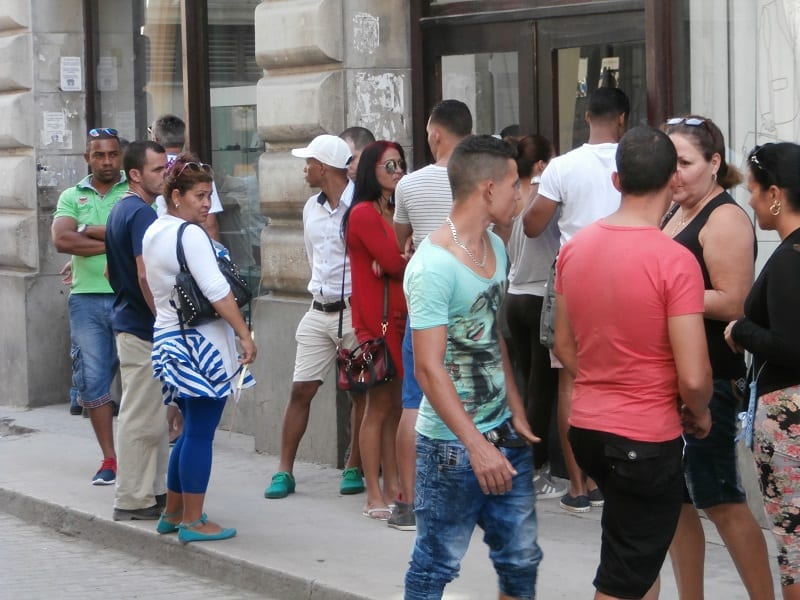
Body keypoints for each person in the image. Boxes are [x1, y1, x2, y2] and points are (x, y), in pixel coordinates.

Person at [554, 126, 712, 600]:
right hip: (644, 437)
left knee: (635, 558)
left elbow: (563, 347)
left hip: (587, 429)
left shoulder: (575, 248)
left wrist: (606, 383)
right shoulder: (675, 259)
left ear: (617, 181)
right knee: (624, 577)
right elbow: (694, 375)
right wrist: (699, 412)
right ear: (672, 181)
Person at [403, 135, 541, 600]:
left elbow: (493, 334)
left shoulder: (498, 249)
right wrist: (476, 447)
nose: (520, 197)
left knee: (521, 561)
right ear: (488, 189)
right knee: (435, 565)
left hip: (504, 433)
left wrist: (516, 407)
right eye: (514, 187)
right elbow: (427, 369)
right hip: (450, 450)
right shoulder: (432, 267)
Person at [661, 116, 774, 600]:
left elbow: (734, 301)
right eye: (670, 163)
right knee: (678, 502)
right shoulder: (674, 211)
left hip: (714, 379)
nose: (676, 174)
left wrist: (665, 291)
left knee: (720, 498)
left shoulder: (724, 216)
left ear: (713, 164)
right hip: (679, 377)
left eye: (685, 163)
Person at [523, 86, 630, 512]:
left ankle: (579, 485)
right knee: (624, 372)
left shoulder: (563, 167)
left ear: (587, 117)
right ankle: (617, 473)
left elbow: (532, 226)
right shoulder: (636, 161)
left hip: (574, 279)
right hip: (628, 276)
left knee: (570, 376)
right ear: (622, 118)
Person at [143, 153, 256, 543]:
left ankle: (173, 513)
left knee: (190, 430)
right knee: (200, 434)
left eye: (209, 196)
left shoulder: (156, 230)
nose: (207, 204)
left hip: (171, 338)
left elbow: (149, 281)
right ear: (176, 196)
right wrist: (244, 334)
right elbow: (217, 291)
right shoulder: (189, 234)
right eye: (199, 196)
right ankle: (193, 520)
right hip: (200, 343)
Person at [264, 134, 367, 499]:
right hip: (319, 308)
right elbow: (313, 257)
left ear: (324, 167)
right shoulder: (311, 207)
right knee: (301, 388)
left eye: (308, 162)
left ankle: (355, 466)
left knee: (361, 393)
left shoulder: (361, 205)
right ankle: (284, 470)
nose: (304, 168)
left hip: (355, 312)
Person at [390, 98, 472, 531]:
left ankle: (408, 499)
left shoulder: (410, 185)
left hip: (425, 301)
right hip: (471, 300)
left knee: (414, 401)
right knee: (471, 396)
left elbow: (402, 237)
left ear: (436, 134)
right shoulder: (481, 181)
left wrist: (416, 242)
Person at [725, 142, 800, 599]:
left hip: (788, 415)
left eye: (753, 191)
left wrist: (741, 328)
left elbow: (792, 345)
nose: (749, 201)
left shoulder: (791, 257)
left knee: (794, 545)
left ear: (775, 193)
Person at [51, 127, 129, 484]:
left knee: (139, 379)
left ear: (121, 156)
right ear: (88, 158)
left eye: (113, 154)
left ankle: (137, 452)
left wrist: (90, 232)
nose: (107, 161)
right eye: (99, 155)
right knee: (94, 382)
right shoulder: (72, 195)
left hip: (130, 297)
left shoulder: (135, 191)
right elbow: (62, 239)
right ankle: (109, 459)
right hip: (86, 300)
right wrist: (117, 243)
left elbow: (143, 237)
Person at [343, 140, 409, 520]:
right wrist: (398, 259)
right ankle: (373, 492)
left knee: (396, 407)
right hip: (377, 322)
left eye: (401, 164)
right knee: (379, 406)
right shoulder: (365, 213)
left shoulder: (398, 209)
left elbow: (401, 260)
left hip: (400, 319)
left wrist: (399, 259)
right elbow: (395, 262)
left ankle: (393, 485)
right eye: (390, 166)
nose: (398, 171)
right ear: (373, 171)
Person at [105, 140, 170, 521]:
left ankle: (153, 491)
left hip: (131, 322)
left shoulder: (121, 210)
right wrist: (162, 316)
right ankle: (132, 497)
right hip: (142, 327)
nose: (164, 175)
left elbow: (115, 272)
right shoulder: (141, 214)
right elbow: (146, 274)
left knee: (151, 414)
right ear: (135, 174)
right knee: (141, 416)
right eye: (157, 170)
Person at [500, 134, 564, 499]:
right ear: (541, 165)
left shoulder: (513, 194)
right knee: (542, 390)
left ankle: (520, 461)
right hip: (541, 296)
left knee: (524, 385)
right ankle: (534, 470)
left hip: (514, 295)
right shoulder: (545, 193)